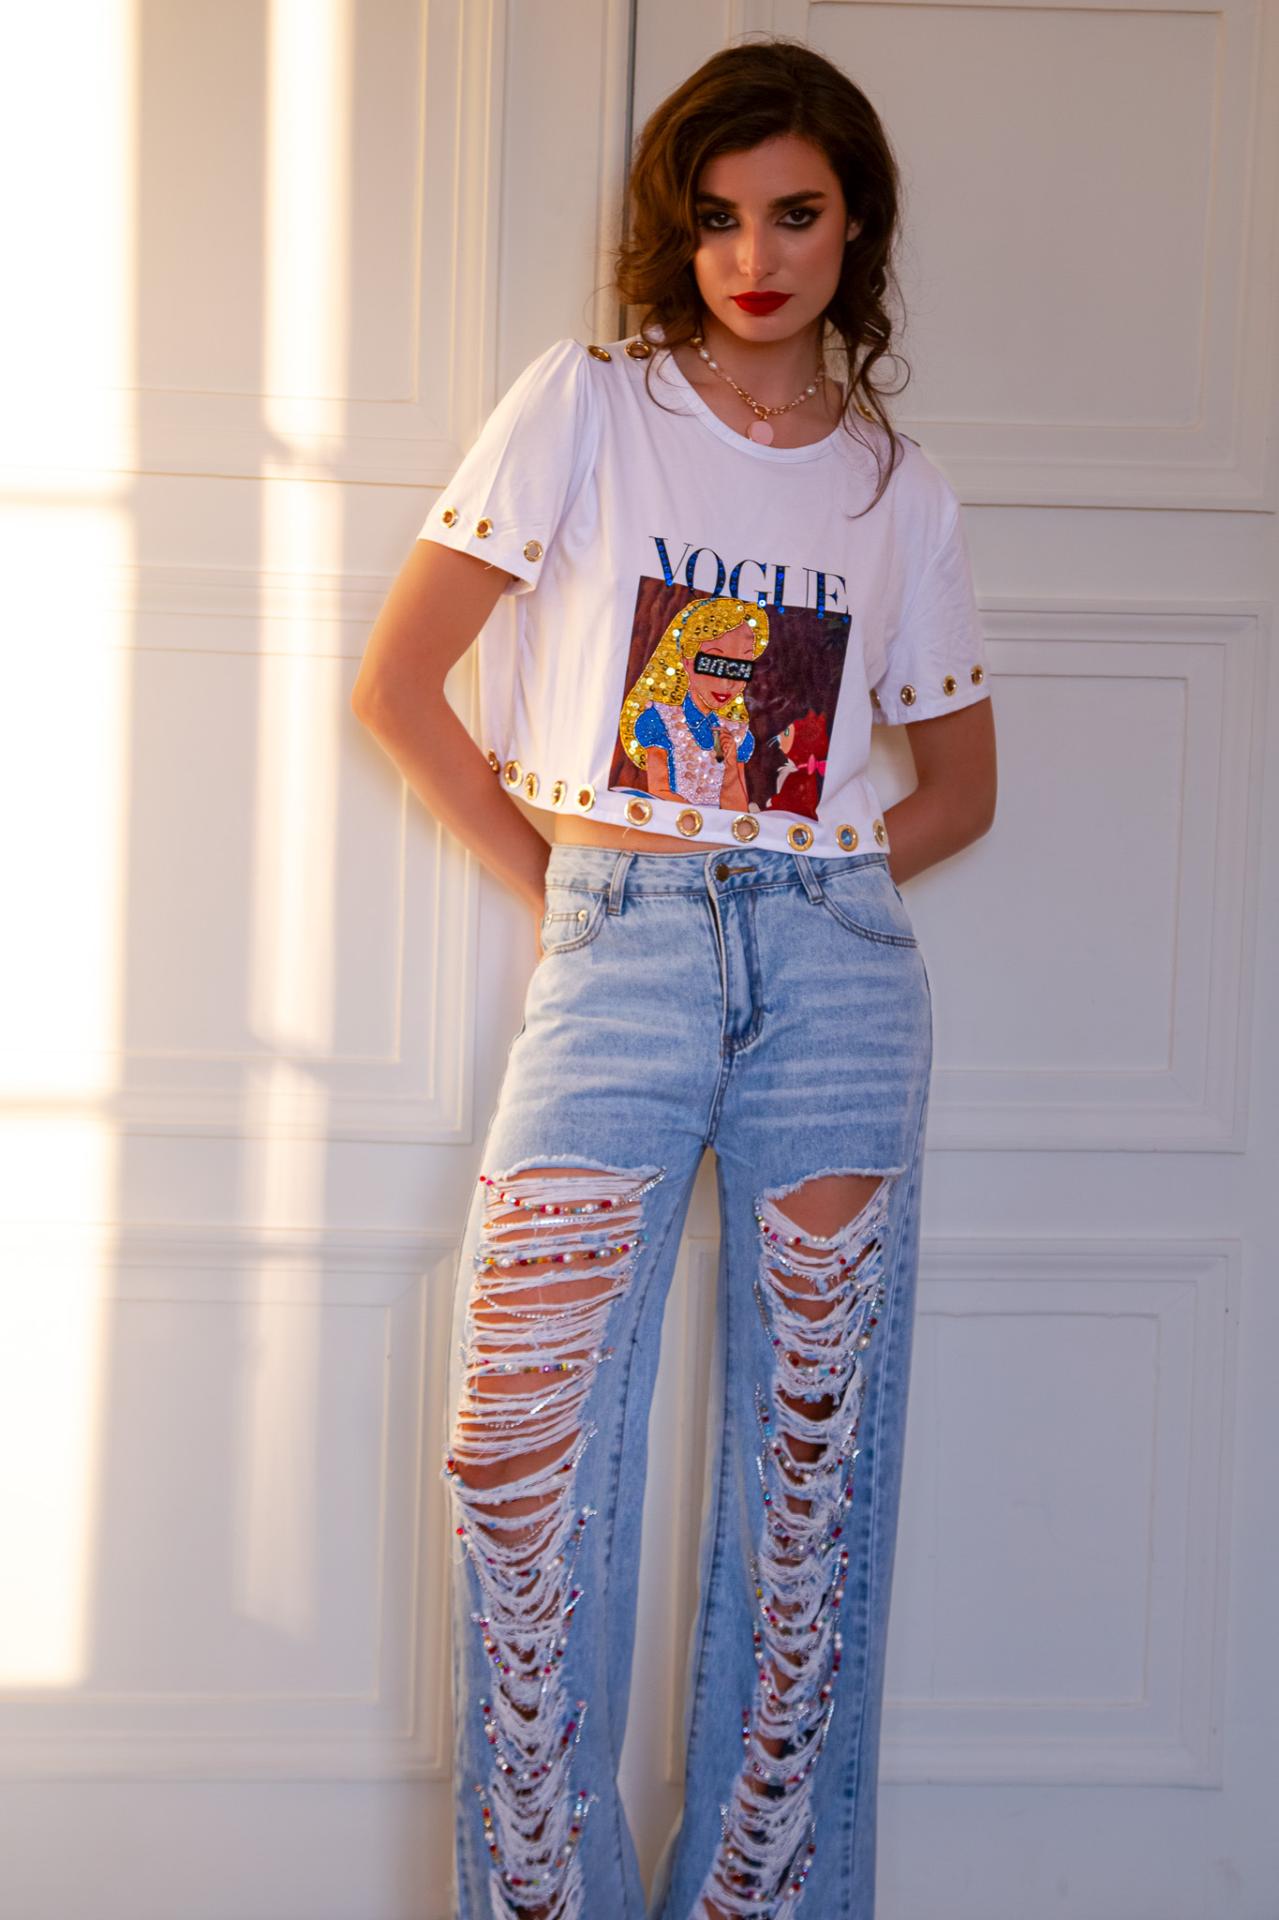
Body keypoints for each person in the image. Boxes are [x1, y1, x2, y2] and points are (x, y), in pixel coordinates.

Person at [352, 33, 997, 1920]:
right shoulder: (586, 407)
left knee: (811, 1502)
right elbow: (400, 690)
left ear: (855, 225)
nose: (753, 257)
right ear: (674, 233)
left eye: (794, 213)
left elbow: (961, 790)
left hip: (836, 977)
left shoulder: (896, 490)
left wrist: (801, 887)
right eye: (715, 219)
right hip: (616, 948)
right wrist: (584, 892)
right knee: (521, 1449)